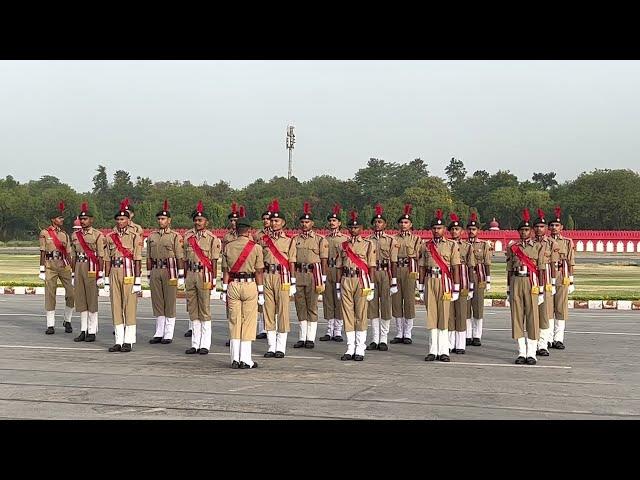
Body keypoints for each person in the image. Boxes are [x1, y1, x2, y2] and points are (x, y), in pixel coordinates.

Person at [221, 209, 264, 369]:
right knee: (248, 322)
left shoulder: (228, 246)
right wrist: (260, 292)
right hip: (249, 284)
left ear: (236, 229)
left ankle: (234, 358)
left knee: (234, 321)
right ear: (249, 230)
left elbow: (225, 270)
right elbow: (259, 271)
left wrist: (224, 289)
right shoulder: (256, 248)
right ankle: (246, 359)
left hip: (233, 285)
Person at [419, 209, 461, 362]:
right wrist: (421, 286)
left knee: (443, 317)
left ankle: (444, 350)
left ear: (444, 229)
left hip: (444, 281)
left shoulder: (451, 245)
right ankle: (432, 350)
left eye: (439, 228)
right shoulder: (425, 246)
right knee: (432, 317)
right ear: (431, 230)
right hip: (430, 280)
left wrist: (456, 287)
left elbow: (455, 267)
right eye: (434, 228)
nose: (437, 231)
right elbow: (422, 267)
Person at [505, 209, 546, 365]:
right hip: (516, 280)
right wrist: (508, 289)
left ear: (531, 231)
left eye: (527, 230)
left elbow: (541, 269)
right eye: (521, 230)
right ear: (518, 231)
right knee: (517, 317)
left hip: (531, 282)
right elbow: (509, 269)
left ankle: (532, 353)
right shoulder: (513, 247)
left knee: (532, 317)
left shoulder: (538, 247)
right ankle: (521, 352)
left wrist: (541, 290)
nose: (524, 232)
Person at [335, 211, 376, 361]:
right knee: (347, 314)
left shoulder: (368, 244)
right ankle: (350, 347)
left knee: (360, 314)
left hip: (361, 280)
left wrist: (371, 285)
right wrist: (338, 286)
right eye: (351, 228)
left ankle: (360, 347)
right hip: (346, 279)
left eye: (356, 227)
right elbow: (339, 266)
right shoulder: (343, 245)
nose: (353, 230)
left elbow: (371, 266)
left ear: (361, 228)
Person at [258, 199, 296, 358]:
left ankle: (280, 347)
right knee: (268, 311)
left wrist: (293, 282)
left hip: (283, 277)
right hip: (267, 276)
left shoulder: (289, 240)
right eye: (271, 220)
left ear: (283, 223)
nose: (273, 223)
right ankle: (271, 346)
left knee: (282, 311)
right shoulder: (263, 239)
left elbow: (292, 261)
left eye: (276, 220)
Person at [104, 200, 143, 352]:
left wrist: (138, 280)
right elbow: (107, 259)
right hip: (114, 271)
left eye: (123, 219)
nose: (120, 222)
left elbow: (138, 259)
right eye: (118, 219)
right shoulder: (110, 237)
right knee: (116, 306)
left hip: (129, 272)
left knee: (129, 306)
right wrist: (106, 280)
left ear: (128, 220)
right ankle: (118, 340)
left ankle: (129, 340)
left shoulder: (135, 236)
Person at [183, 201, 221, 355]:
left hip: (204, 274)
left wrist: (213, 279)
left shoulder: (212, 238)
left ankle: (205, 344)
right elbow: (185, 259)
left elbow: (213, 261)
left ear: (206, 222)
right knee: (193, 309)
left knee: (204, 309)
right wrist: (183, 276)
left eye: (201, 220)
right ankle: (195, 343)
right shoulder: (187, 236)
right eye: (196, 220)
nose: (198, 222)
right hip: (191, 274)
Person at [291, 202, 329, 349]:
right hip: (299, 274)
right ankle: (302, 337)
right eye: (302, 222)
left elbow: (324, 260)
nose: (304, 224)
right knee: (300, 306)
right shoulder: (295, 239)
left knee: (312, 306)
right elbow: (293, 258)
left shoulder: (320, 239)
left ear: (312, 223)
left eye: (307, 222)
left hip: (314, 275)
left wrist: (323, 278)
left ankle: (310, 338)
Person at [147, 200, 185, 345]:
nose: (160, 221)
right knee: (157, 301)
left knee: (169, 302)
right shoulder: (152, 236)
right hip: (156, 269)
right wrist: (149, 273)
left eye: (163, 219)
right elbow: (149, 257)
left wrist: (180, 275)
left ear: (169, 220)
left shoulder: (175, 236)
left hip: (170, 270)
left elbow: (179, 256)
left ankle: (168, 333)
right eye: (159, 219)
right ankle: (159, 331)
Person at [70, 202, 105, 342]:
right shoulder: (75, 235)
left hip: (92, 268)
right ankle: (83, 330)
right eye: (81, 219)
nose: (83, 221)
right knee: (81, 301)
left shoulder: (98, 235)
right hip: (79, 266)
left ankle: (92, 331)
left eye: (85, 219)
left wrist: (100, 274)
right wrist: (73, 274)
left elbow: (101, 256)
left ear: (91, 220)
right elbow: (73, 256)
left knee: (92, 301)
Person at [366, 204, 398, 352]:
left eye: (380, 222)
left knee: (385, 306)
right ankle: (374, 339)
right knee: (372, 307)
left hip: (385, 273)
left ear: (385, 224)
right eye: (375, 222)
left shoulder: (391, 240)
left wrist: (394, 281)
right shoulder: (367, 240)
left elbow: (394, 262)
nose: (377, 224)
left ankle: (383, 339)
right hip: (372, 273)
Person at [39, 201, 74, 334]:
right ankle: (50, 325)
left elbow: (69, 252)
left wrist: (72, 269)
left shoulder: (65, 234)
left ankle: (67, 320)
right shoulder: (45, 233)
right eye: (60, 218)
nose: (62, 220)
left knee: (71, 294)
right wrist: (41, 268)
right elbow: (42, 251)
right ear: (53, 220)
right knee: (50, 294)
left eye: (62, 218)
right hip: (50, 265)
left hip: (63, 265)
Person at [391, 204, 422, 344]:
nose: (403, 225)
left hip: (410, 270)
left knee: (409, 301)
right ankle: (399, 332)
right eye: (401, 222)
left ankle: (408, 333)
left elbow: (418, 256)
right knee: (397, 302)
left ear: (411, 224)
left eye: (406, 222)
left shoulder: (416, 239)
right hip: (397, 269)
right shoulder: (393, 239)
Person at [447, 213, 476, 354]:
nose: (454, 232)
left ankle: (460, 344)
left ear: (461, 232)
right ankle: (450, 343)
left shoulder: (468, 247)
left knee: (462, 313)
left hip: (463, 281)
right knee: (449, 314)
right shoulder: (446, 245)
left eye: (457, 229)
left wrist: (471, 287)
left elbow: (471, 267)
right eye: (452, 229)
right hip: (448, 281)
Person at [532, 209, 559, 357]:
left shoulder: (552, 243)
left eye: (541, 227)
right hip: (531, 282)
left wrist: (553, 283)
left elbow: (554, 264)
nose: (539, 229)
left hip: (546, 281)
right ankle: (533, 341)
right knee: (532, 314)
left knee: (545, 313)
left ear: (545, 229)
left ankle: (543, 344)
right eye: (536, 226)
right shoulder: (528, 244)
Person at [320, 204, 348, 342]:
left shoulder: (345, 239)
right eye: (330, 220)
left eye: (334, 221)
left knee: (339, 300)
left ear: (339, 223)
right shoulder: (324, 239)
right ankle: (329, 330)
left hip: (339, 271)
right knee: (328, 300)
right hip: (328, 269)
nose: (332, 223)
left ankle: (338, 330)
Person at [549, 206, 576, 350]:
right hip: (547, 277)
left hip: (562, 275)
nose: (554, 228)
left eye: (556, 225)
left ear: (561, 227)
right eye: (552, 225)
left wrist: (571, 281)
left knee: (560, 308)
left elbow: (570, 262)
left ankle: (558, 338)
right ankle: (546, 338)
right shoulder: (545, 242)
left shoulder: (567, 242)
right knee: (547, 309)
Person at [465, 212, 492, 346]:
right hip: (465, 277)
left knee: (478, 307)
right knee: (466, 307)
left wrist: (488, 280)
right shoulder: (462, 244)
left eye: (474, 229)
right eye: (469, 229)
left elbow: (487, 263)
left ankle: (477, 335)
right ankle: (468, 334)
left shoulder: (483, 245)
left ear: (478, 231)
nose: (471, 231)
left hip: (479, 276)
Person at [222, 202, 241, 347]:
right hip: (231, 275)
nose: (234, 223)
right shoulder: (227, 237)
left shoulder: (249, 237)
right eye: (232, 221)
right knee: (230, 308)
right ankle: (232, 334)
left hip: (244, 275)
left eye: (236, 220)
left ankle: (242, 335)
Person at [253, 203, 273, 340]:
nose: (266, 221)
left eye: (268, 218)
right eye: (264, 218)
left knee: (273, 302)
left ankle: (272, 327)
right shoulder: (257, 235)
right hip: (260, 270)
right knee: (261, 301)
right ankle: (262, 328)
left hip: (273, 271)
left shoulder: (278, 235)